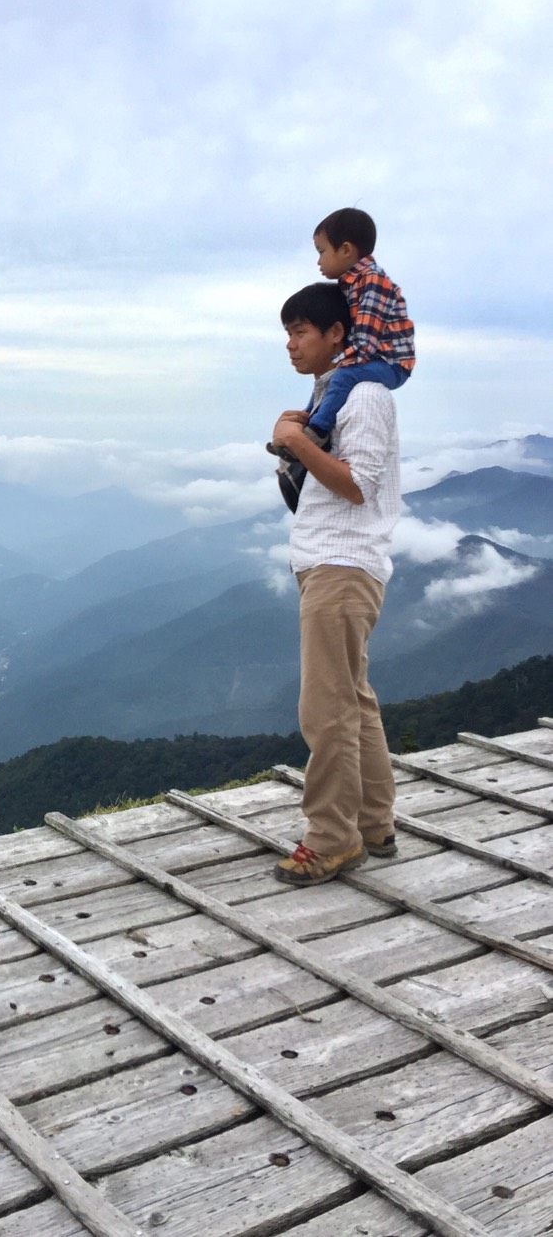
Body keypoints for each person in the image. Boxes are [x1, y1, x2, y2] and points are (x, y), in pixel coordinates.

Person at [271, 281, 402, 886]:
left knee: (325, 710)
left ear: (336, 334)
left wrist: (296, 441)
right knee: (352, 698)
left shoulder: (366, 395)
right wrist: (298, 434)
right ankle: (374, 824)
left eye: (300, 332)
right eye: (288, 333)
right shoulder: (330, 393)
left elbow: (358, 485)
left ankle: (331, 839)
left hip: (343, 566)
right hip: (331, 564)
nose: (291, 345)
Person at [270, 208, 415, 462]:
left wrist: (337, 361)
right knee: (329, 379)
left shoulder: (372, 281)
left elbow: (365, 342)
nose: (319, 261)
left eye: (322, 251)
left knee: (342, 375)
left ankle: (316, 432)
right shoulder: (353, 284)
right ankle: (308, 422)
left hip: (391, 363)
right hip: (375, 359)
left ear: (346, 250)